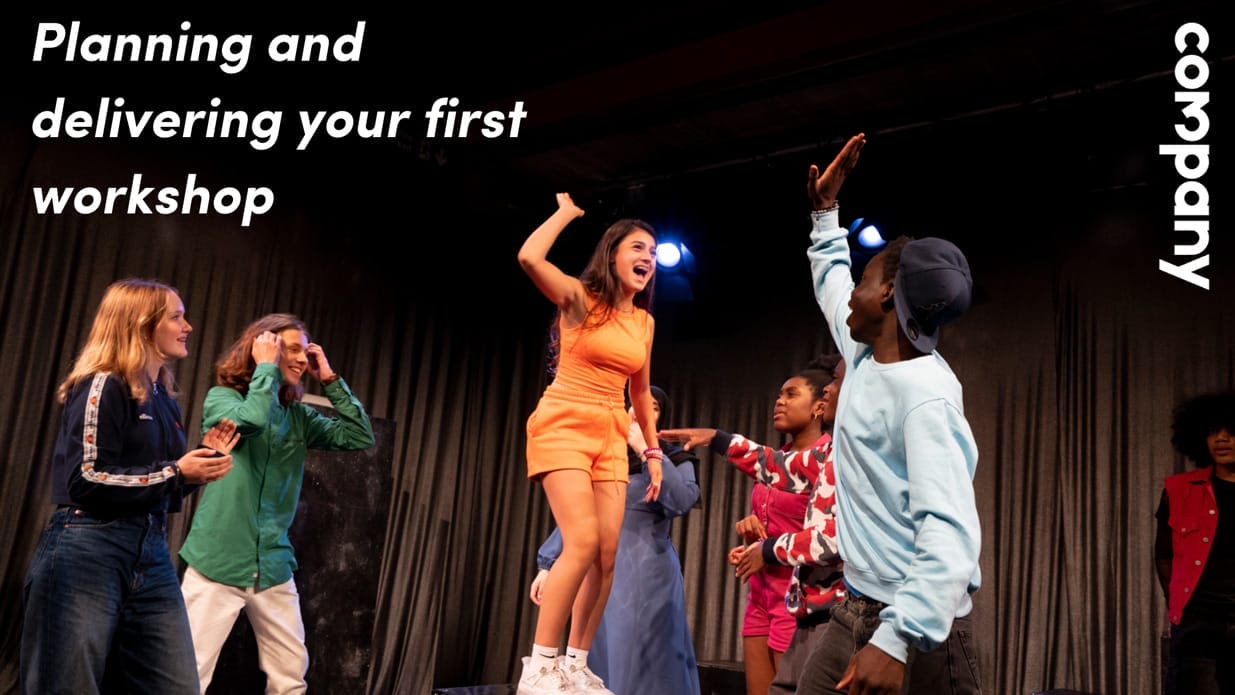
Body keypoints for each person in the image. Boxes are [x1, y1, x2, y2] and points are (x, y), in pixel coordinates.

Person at [796, 133, 984, 695]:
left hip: (919, 628)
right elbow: (831, 284)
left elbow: (950, 535)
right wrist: (825, 212)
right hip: (855, 608)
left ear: (886, 298)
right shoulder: (862, 351)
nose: (852, 289)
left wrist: (899, 639)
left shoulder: (925, 398)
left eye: (866, 278)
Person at [21, 277, 238, 695]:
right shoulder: (104, 383)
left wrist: (196, 466)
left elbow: (153, 482)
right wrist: (177, 472)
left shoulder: (164, 398)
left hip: (150, 551)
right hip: (88, 548)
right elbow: (84, 478)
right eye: (176, 317)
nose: (188, 325)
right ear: (141, 325)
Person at [178, 313, 376, 695]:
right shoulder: (223, 399)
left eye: (305, 351)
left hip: (272, 566)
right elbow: (250, 421)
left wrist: (330, 380)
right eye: (292, 349)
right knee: (189, 675)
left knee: (290, 676)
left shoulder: (299, 417)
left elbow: (359, 436)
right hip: (217, 561)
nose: (302, 359)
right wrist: (266, 367)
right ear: (261, 347)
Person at [515, 192, 662, 695]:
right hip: (563, 423)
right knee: (579, 542)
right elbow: (530, 257)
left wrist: (654, 451)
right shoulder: (580, 299)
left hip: (610, 432)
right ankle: (539, 665)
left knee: (606, 554)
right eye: (638, 248)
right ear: (613, 253)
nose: (648, 258)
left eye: (654, 252)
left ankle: (575, 664)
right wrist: (564, 214)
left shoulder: (643, 322)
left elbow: (639, 392)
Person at [661, 354, 845, 695]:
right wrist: (751, 535)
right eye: (779, 394)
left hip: (800, 597)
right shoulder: (789, 459)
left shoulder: (831, 454)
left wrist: (770, 548)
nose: (779, 401)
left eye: (791, 394)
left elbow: (829, 537)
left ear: (820, 406)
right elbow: (770, 466)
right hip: (761, 595)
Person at [530, 385, 701, 695]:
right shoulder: (604, 459)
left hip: (646, 578)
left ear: (659, 419)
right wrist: (548, 565)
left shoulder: (675, 459)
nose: (640, 411)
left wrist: (645, 451)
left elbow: (681, 501)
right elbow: (580, 516)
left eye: (653, 407)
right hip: (599, 576)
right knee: (590, 662)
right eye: (635, 403)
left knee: (637, 662)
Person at [1155, 391, 1235, 695]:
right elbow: (1163, 555)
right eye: (1213, 431)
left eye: (1231, 431)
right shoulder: (1178, 490)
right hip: (1198, 624)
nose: (1222, 439)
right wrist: (1178, 603)